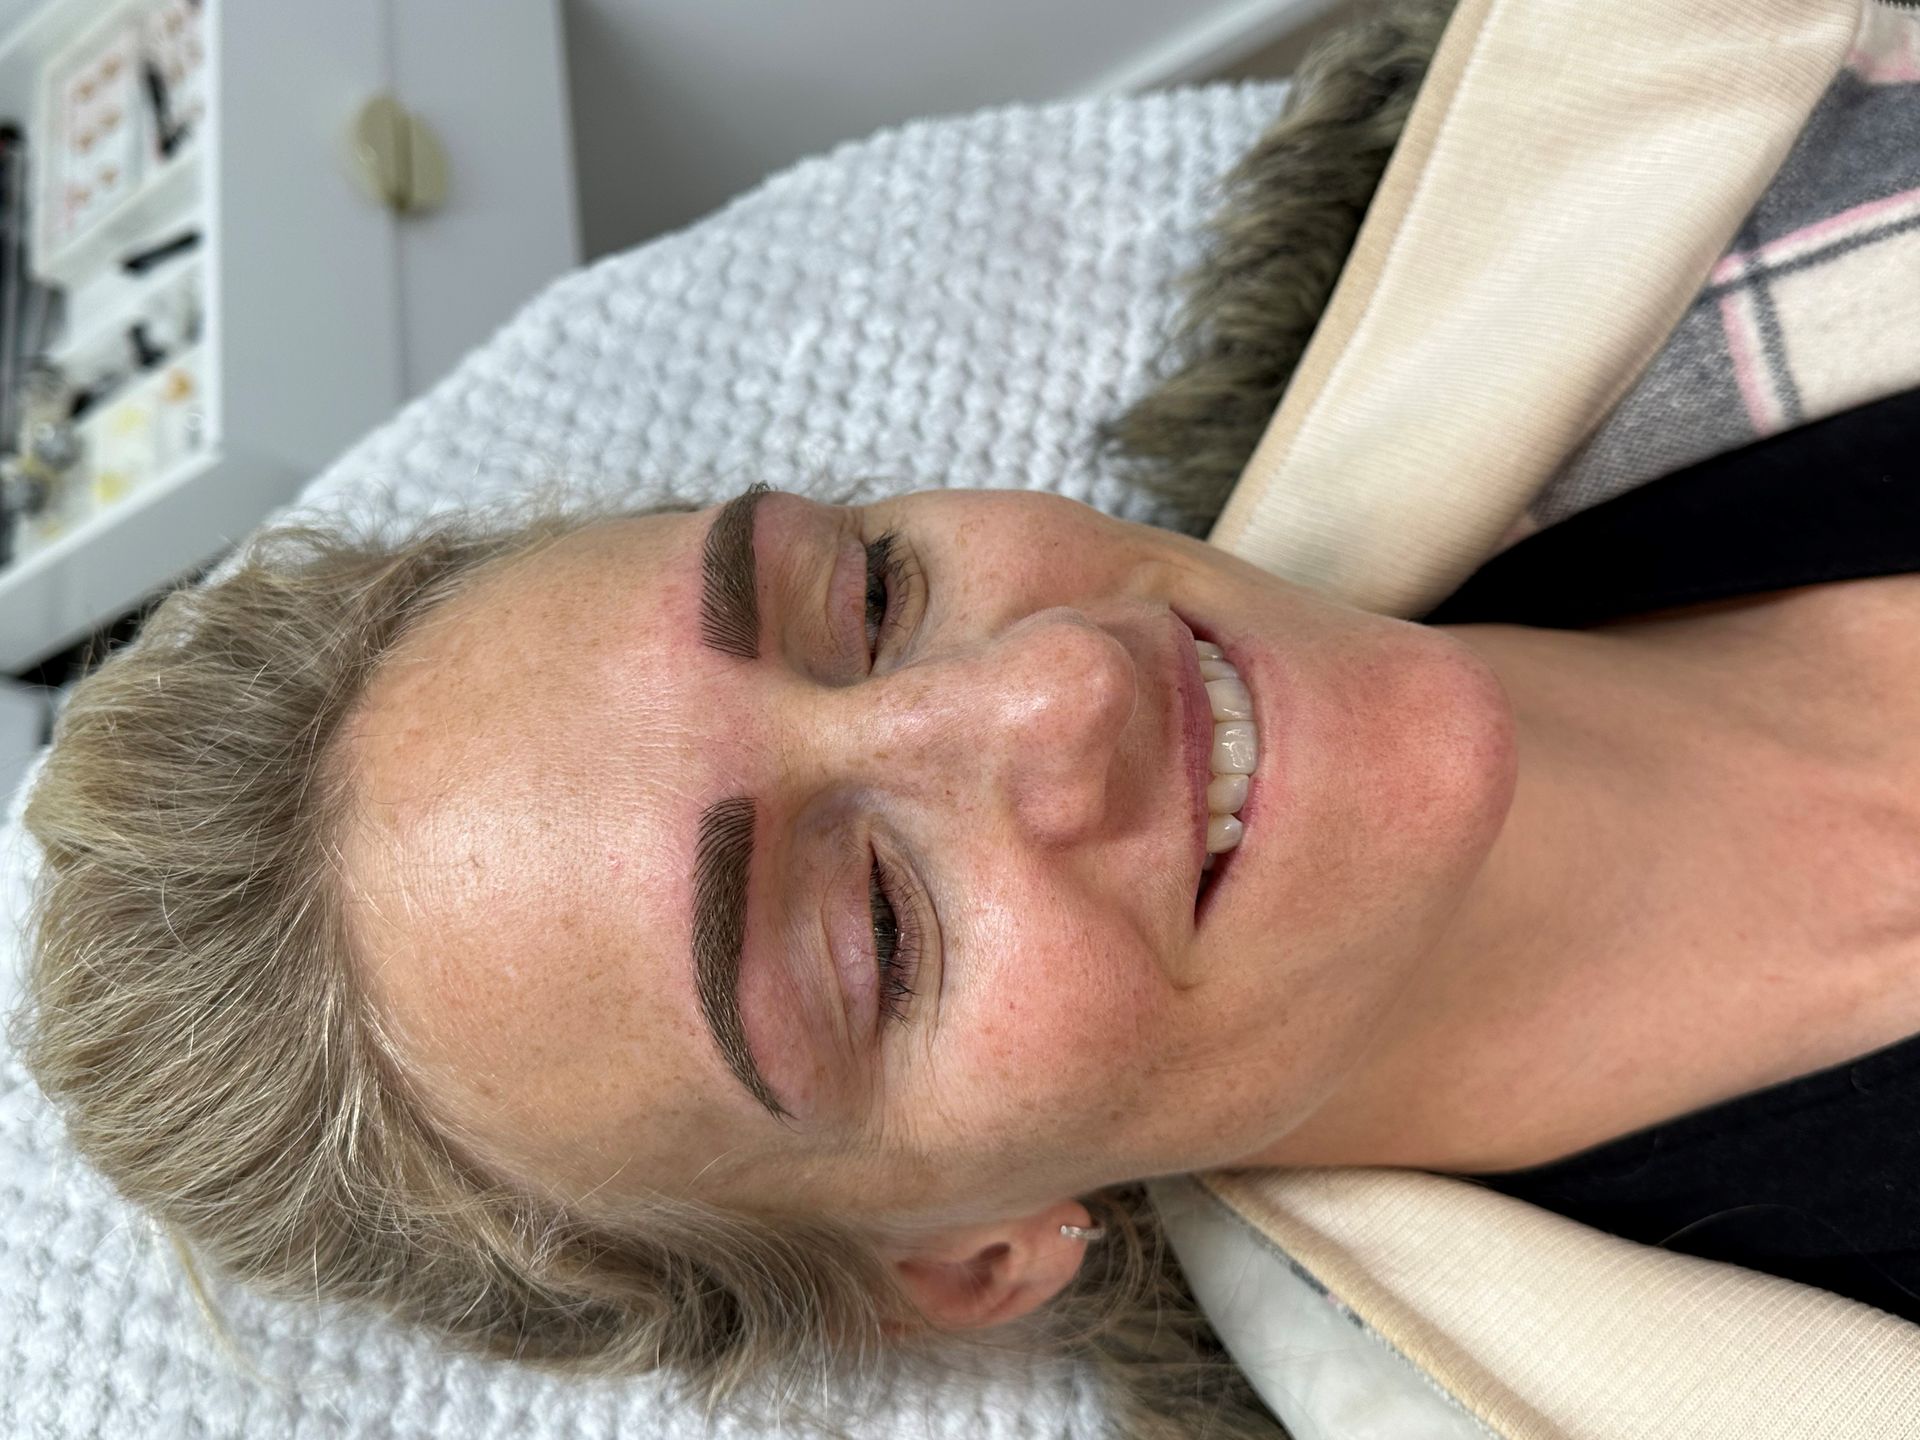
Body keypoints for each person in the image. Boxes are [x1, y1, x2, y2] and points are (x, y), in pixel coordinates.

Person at [13, 3, 1920, 1438]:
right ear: (966, 1259)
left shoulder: (1713, 113)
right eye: (877, 936)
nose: (1066, 685)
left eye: (865, 597)